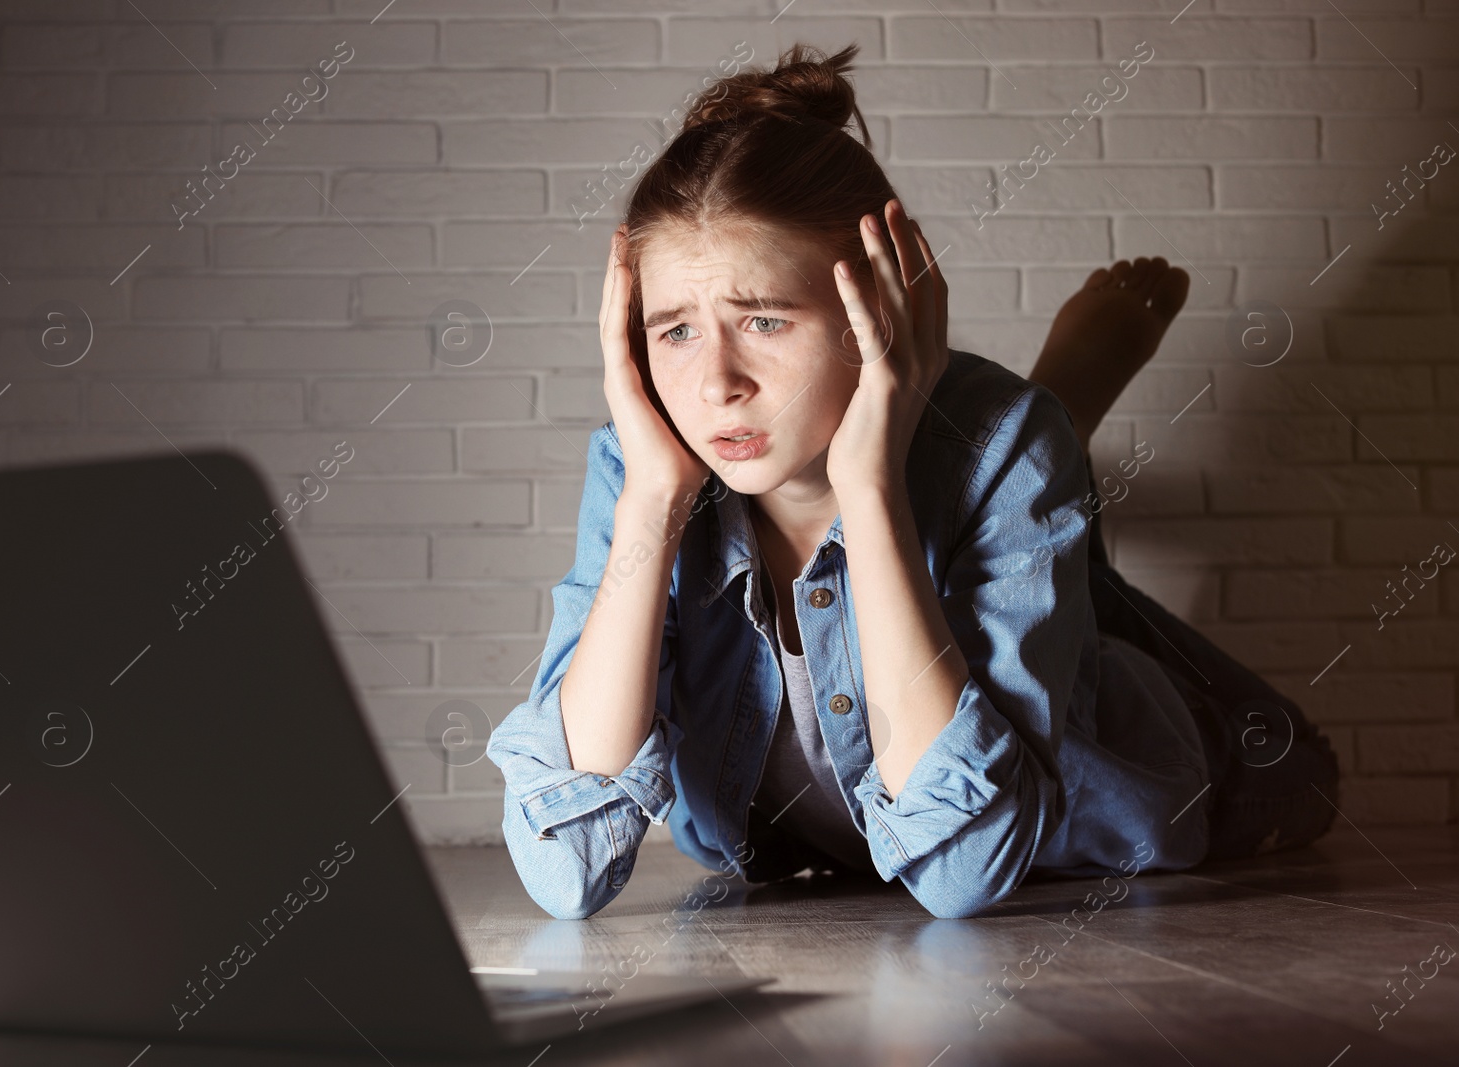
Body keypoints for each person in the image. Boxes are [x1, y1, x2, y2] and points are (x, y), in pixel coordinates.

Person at [485, 44, 1340, 920]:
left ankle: (1034, 442)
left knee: (1299, 775)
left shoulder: (995, 444)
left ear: (880, 311)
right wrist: (652, 505)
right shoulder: (643, 461)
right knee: (1024, 488)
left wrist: (872, 486)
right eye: (674, 332)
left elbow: (966, 870)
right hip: (797, 842)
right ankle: (1052, 443)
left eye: (765, 319)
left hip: (1083, 802)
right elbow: (567, 872)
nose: (716, 385)